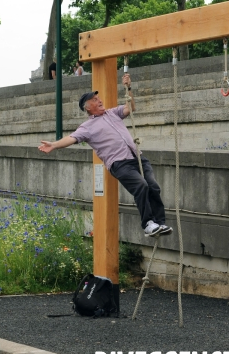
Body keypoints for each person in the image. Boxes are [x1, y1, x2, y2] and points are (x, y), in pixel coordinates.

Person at [38, 73, 172, 237]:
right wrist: (53, 145)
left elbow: (130, 107)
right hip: (120, 164)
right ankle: (148, 224)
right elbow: (71, 138)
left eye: (98, 98)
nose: (99, 100)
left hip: (137, 157)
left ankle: (160, 223)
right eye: (94, 100)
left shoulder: (112, 113)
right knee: (141, 186)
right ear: (88, 107)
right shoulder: (87, 127)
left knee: (153, 187)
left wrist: (128, 88)